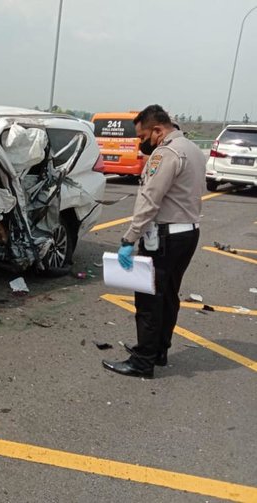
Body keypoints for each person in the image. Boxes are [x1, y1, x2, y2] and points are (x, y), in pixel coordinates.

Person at [102, 104, 206, 378]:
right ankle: (159, 350)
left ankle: (142, 361)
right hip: (188, 233)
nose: (141, 143)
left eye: (143, 137)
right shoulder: (192, 149)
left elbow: (150, 202)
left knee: (148, 299)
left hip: (165, 237)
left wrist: (129, 238)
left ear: (158, 130)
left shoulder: (166, 153)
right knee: (169, 295)